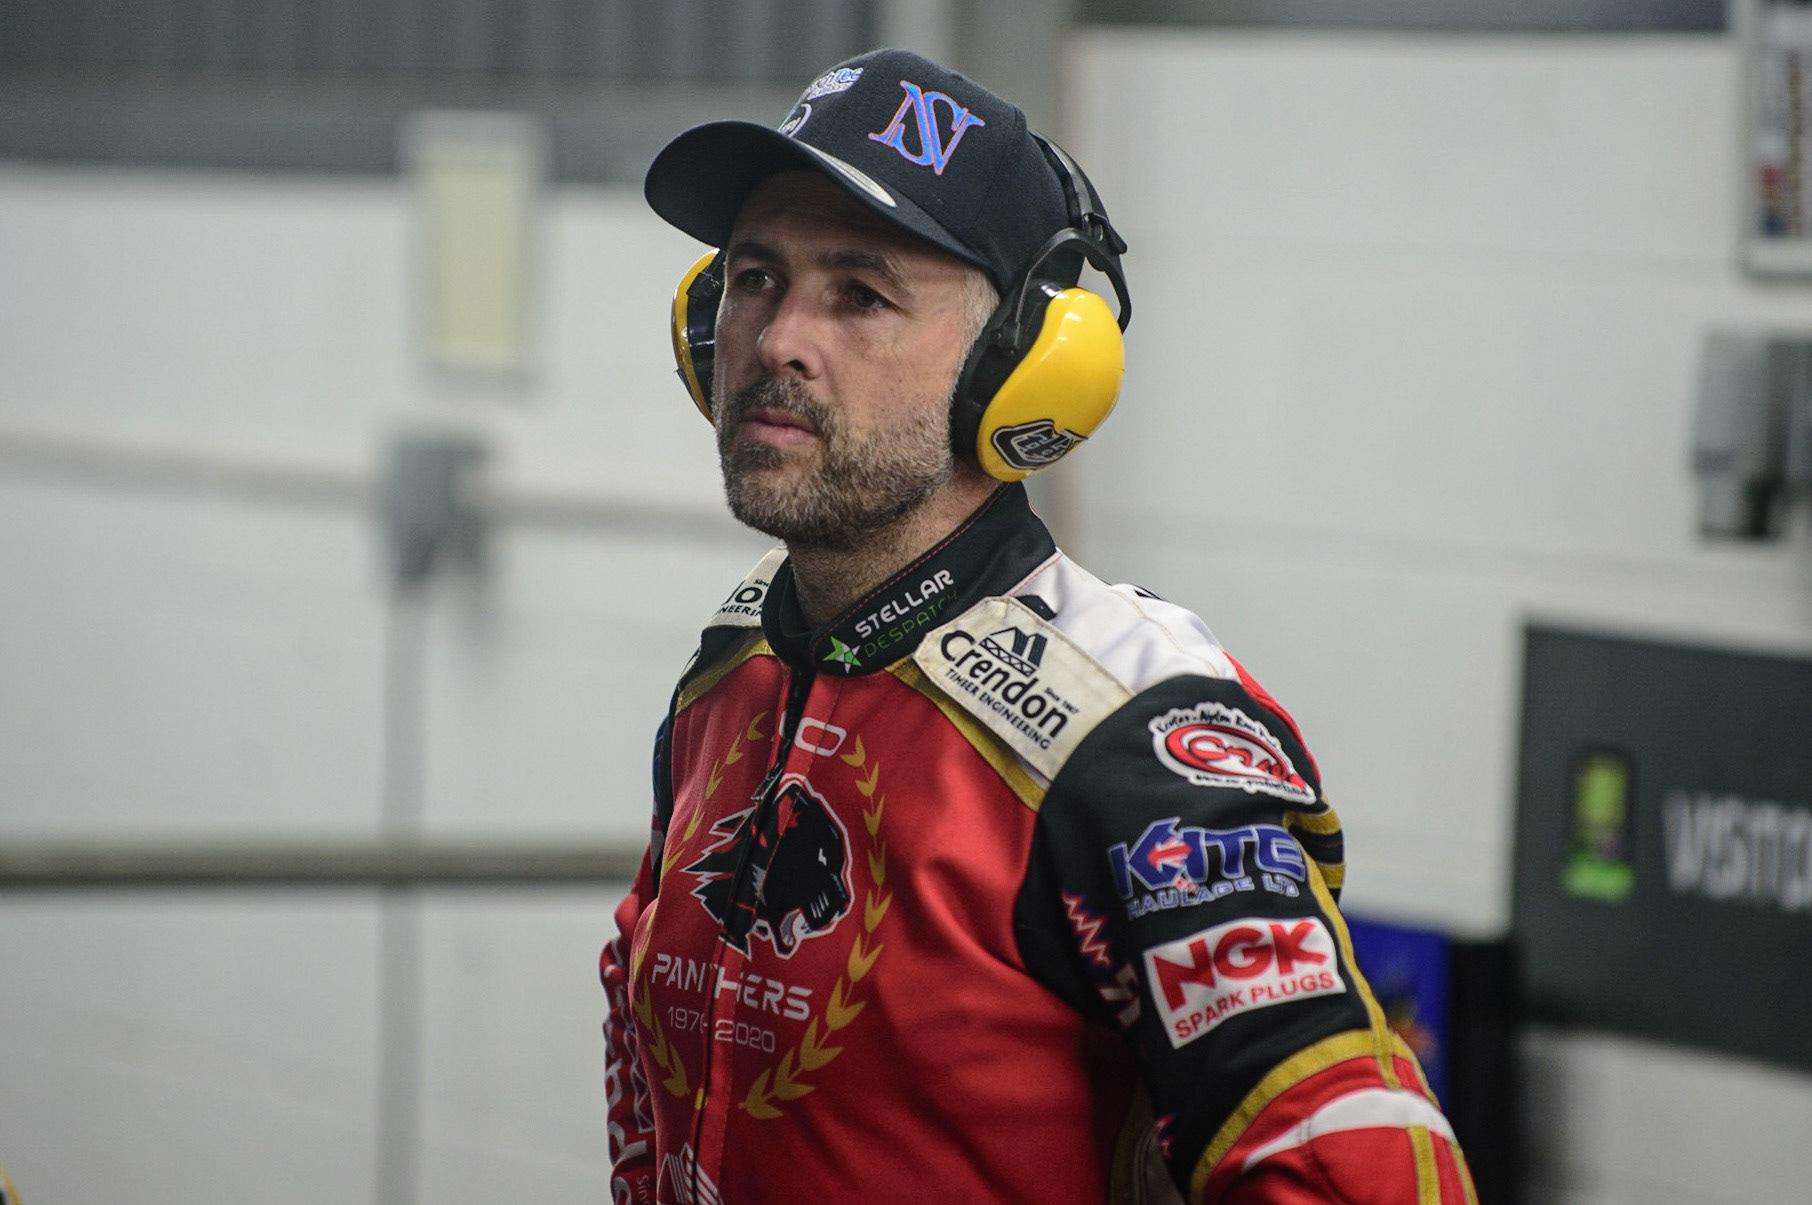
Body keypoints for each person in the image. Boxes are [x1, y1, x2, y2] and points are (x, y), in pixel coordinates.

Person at [602, 47, 1474, 1205]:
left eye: (860, 294)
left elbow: (1364, 1169)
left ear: (1017, 368)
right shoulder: (737, 663)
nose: (776, 342)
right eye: (756, 278)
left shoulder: (1133, 730)